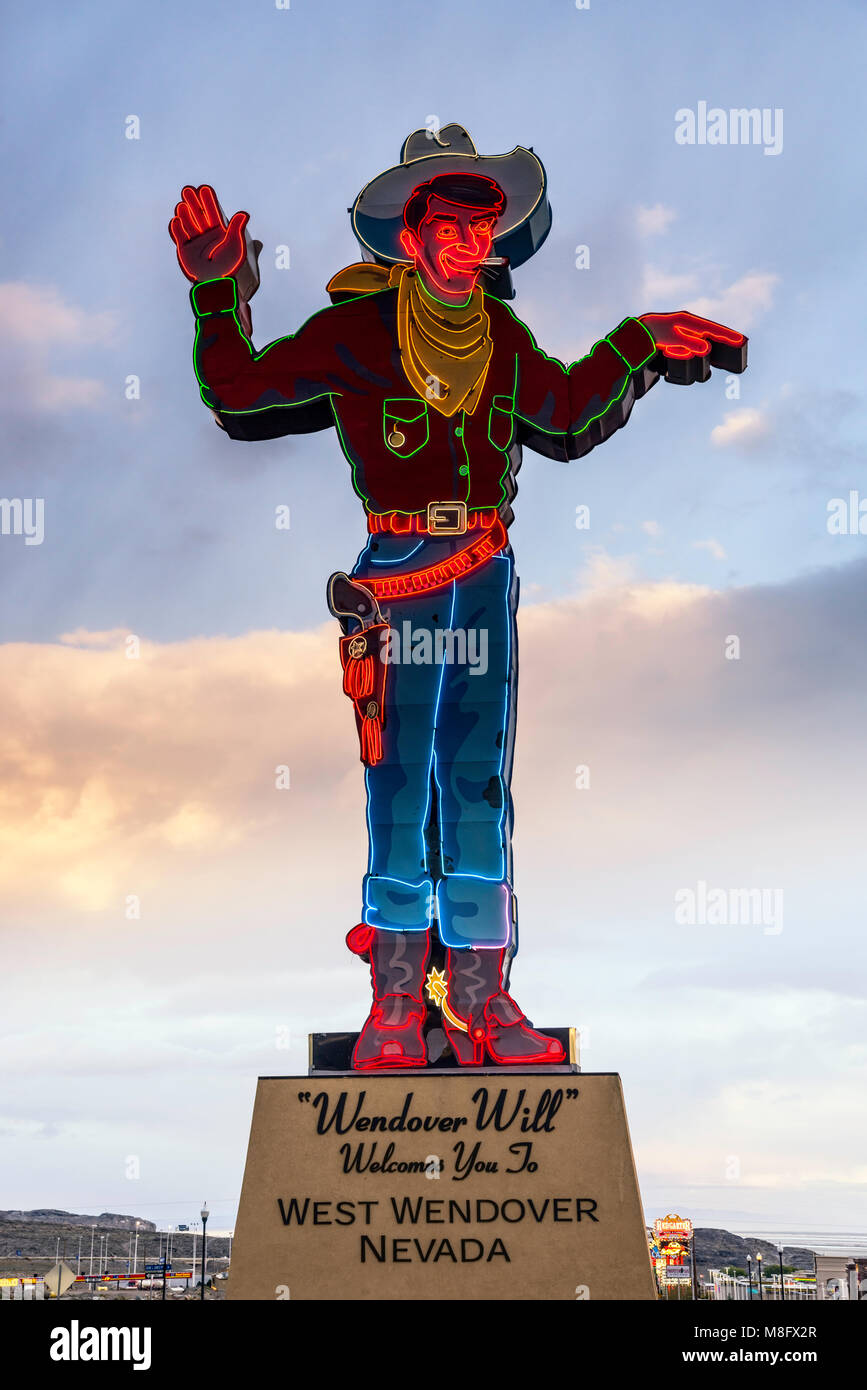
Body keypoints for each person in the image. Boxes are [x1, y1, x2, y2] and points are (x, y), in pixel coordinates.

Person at [169, 124, 747, 1071]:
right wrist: (213, 287)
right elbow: (237, 390)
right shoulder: (354, 333)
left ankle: (482, 1001)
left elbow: (562, 408)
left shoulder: (502, 334)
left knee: (475, 785)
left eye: (486, 224)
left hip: (482, 574)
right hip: (396, 582)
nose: (472, 239)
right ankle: (396, 1005)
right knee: (398, 789)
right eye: (451, 222)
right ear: (409, 234)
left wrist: (638, 341)